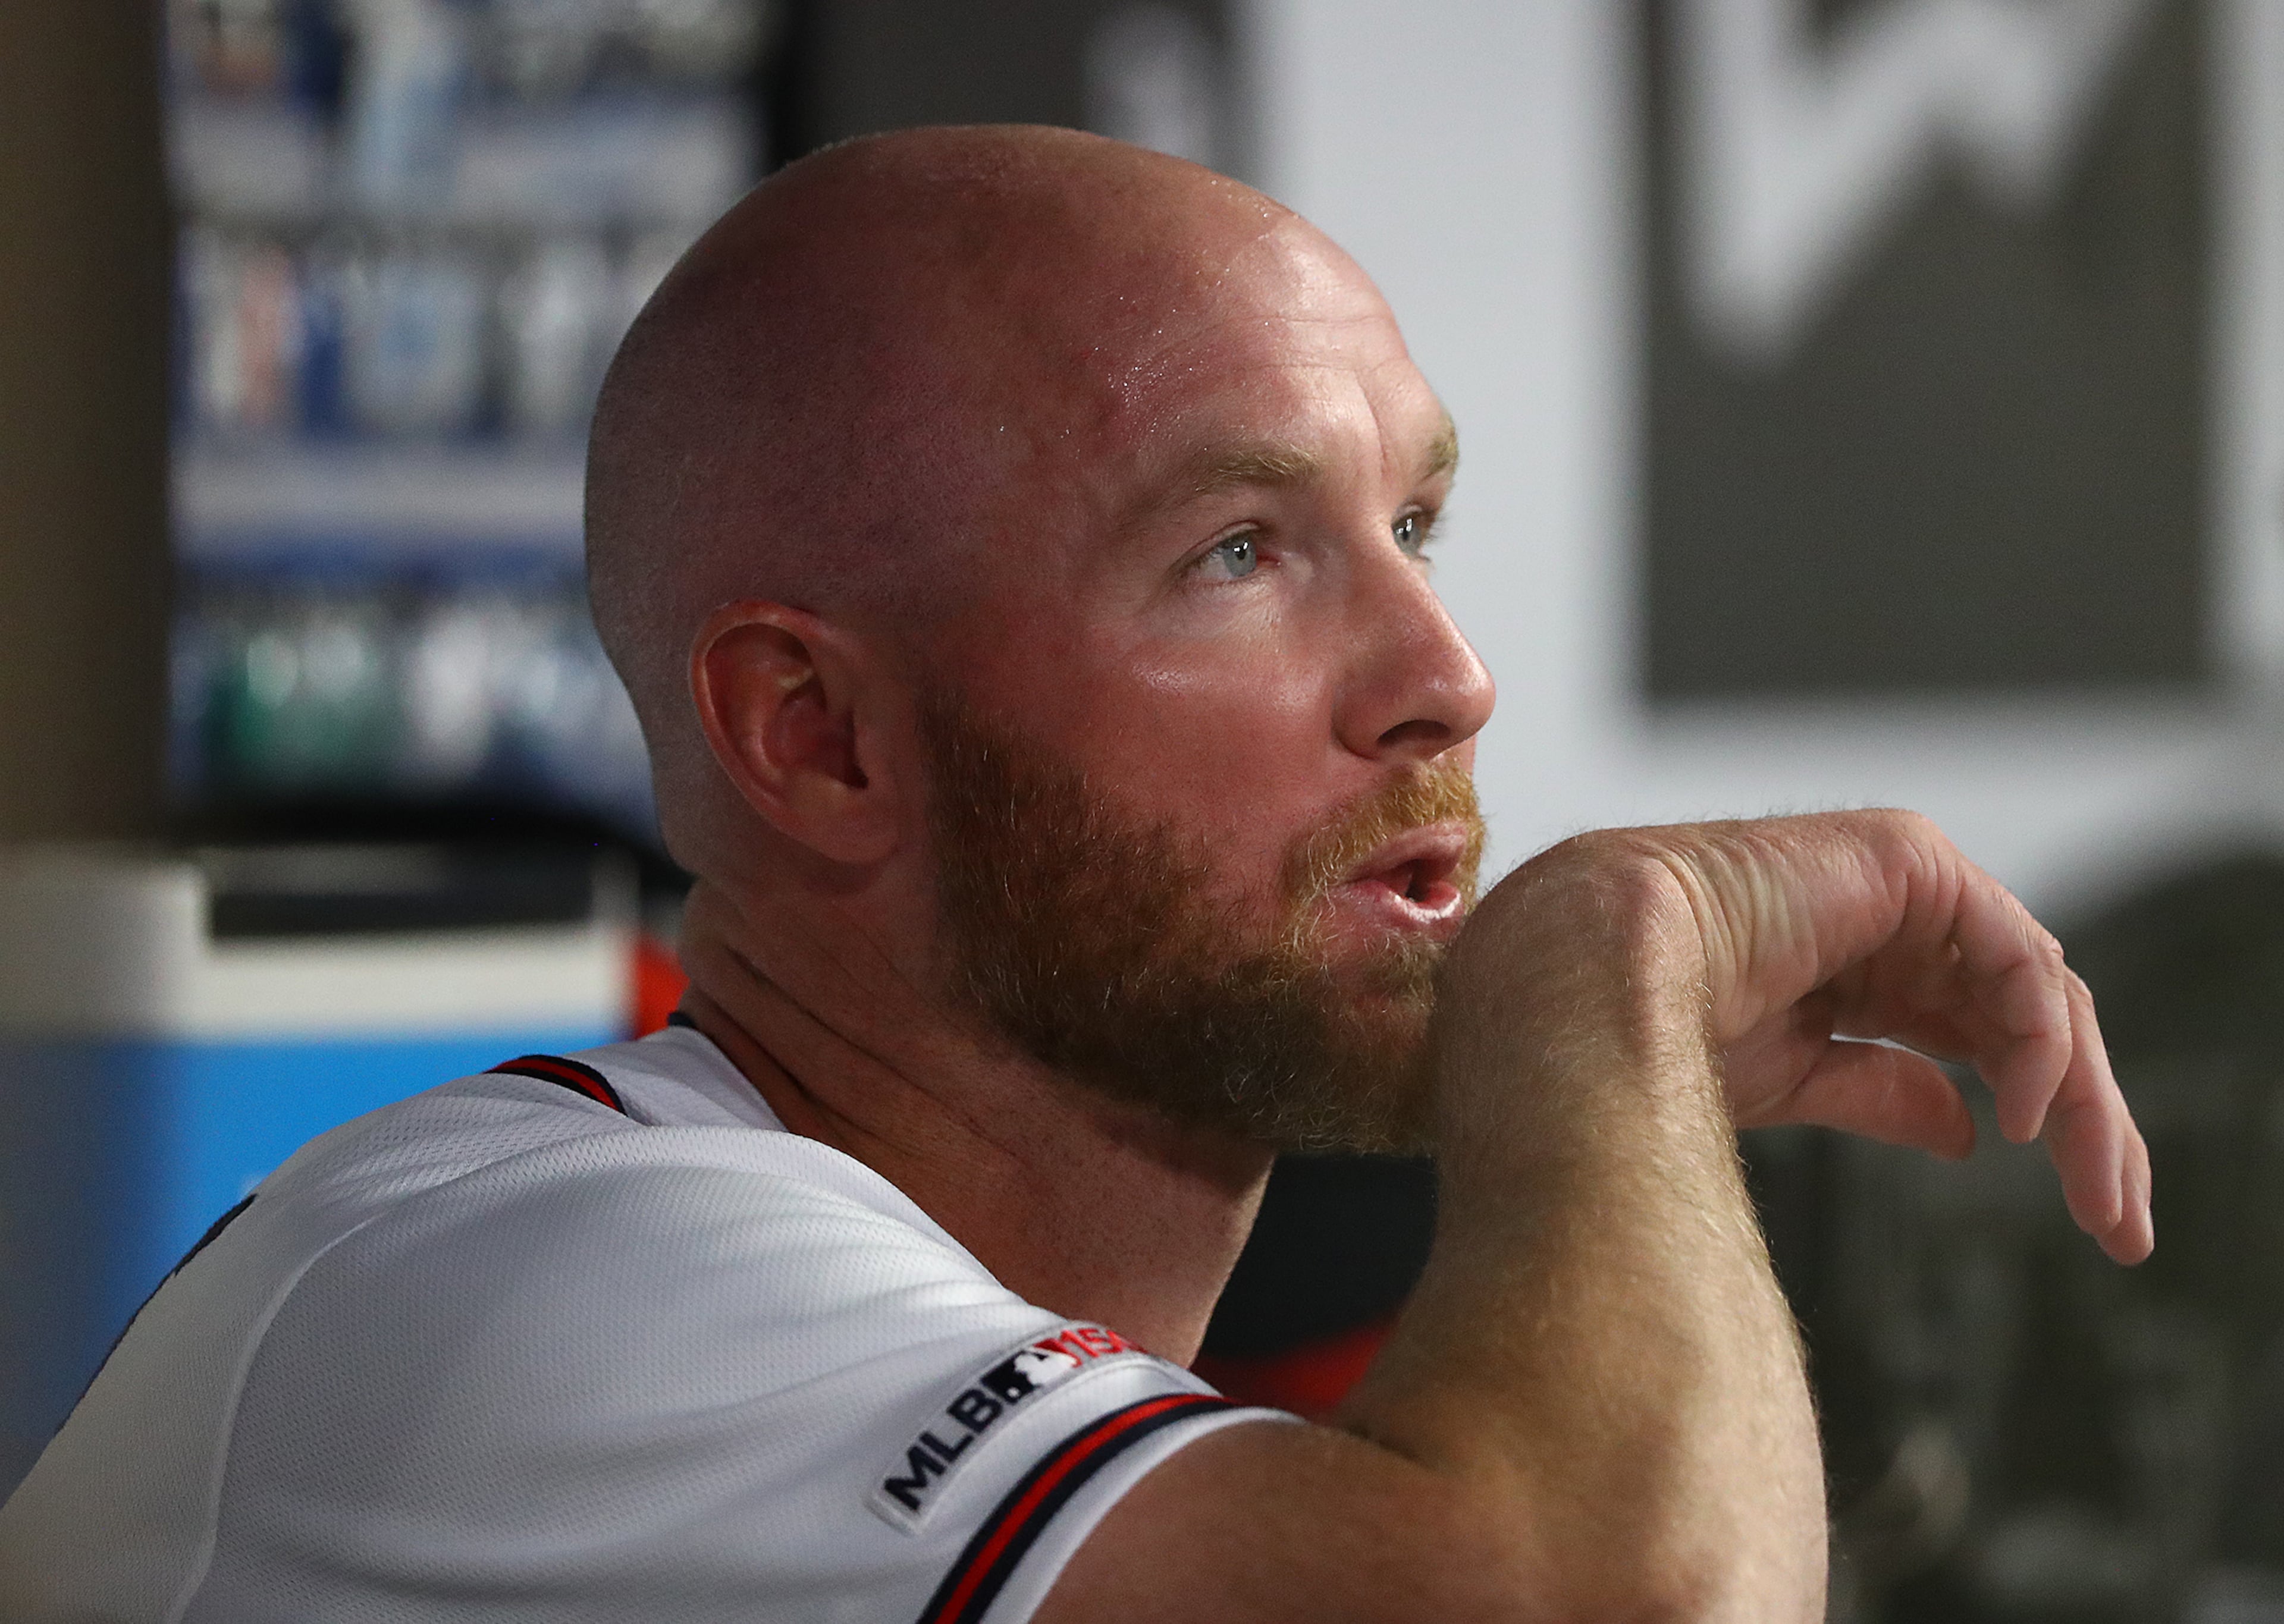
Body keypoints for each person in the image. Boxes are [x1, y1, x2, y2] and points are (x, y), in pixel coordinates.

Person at [0, 125, 2150, 1623]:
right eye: (1237, 552)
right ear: (819, 738)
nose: (1448, 677)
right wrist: (1607, 962)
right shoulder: (560, 1273)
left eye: (1414, 528)